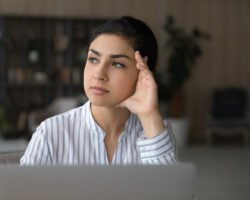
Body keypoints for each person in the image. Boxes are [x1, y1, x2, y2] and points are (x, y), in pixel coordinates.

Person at [20, 16, 178, 165]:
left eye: (117, 64)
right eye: (93, 59)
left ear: (144, 74)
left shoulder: (155, 132)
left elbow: (173, 193)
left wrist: (149, 116)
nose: (99, 74)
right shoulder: (50, 134)